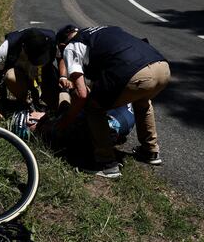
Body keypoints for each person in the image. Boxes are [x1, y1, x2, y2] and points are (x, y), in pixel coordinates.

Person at [55, 25, 171, 178]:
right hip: (162, 68)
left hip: (135, 74)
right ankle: (150, 151)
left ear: (62, 45)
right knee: (142, 101)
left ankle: (107, 164)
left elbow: (82, 94)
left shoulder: (71, 47)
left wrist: (64, 123)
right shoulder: (104, 31)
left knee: (93, 106)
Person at [0, 28, 60, 121]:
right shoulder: (7, 47)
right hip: (20, 72)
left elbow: (60, 58)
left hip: (45, 71)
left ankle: (43, 101)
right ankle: (27, 104)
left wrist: (63, 77)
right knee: (11, 76)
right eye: (34, 58)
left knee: (57, 105)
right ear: (24, 47)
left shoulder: (51, 39)